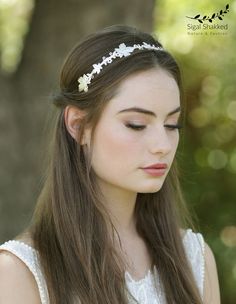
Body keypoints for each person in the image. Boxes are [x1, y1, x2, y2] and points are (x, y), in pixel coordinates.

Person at [0, 24, 220, 304]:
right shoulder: (21, 273)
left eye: (171, 124)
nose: (163, 145)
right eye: (136, 125)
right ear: (78, 126)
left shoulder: (194, 259)